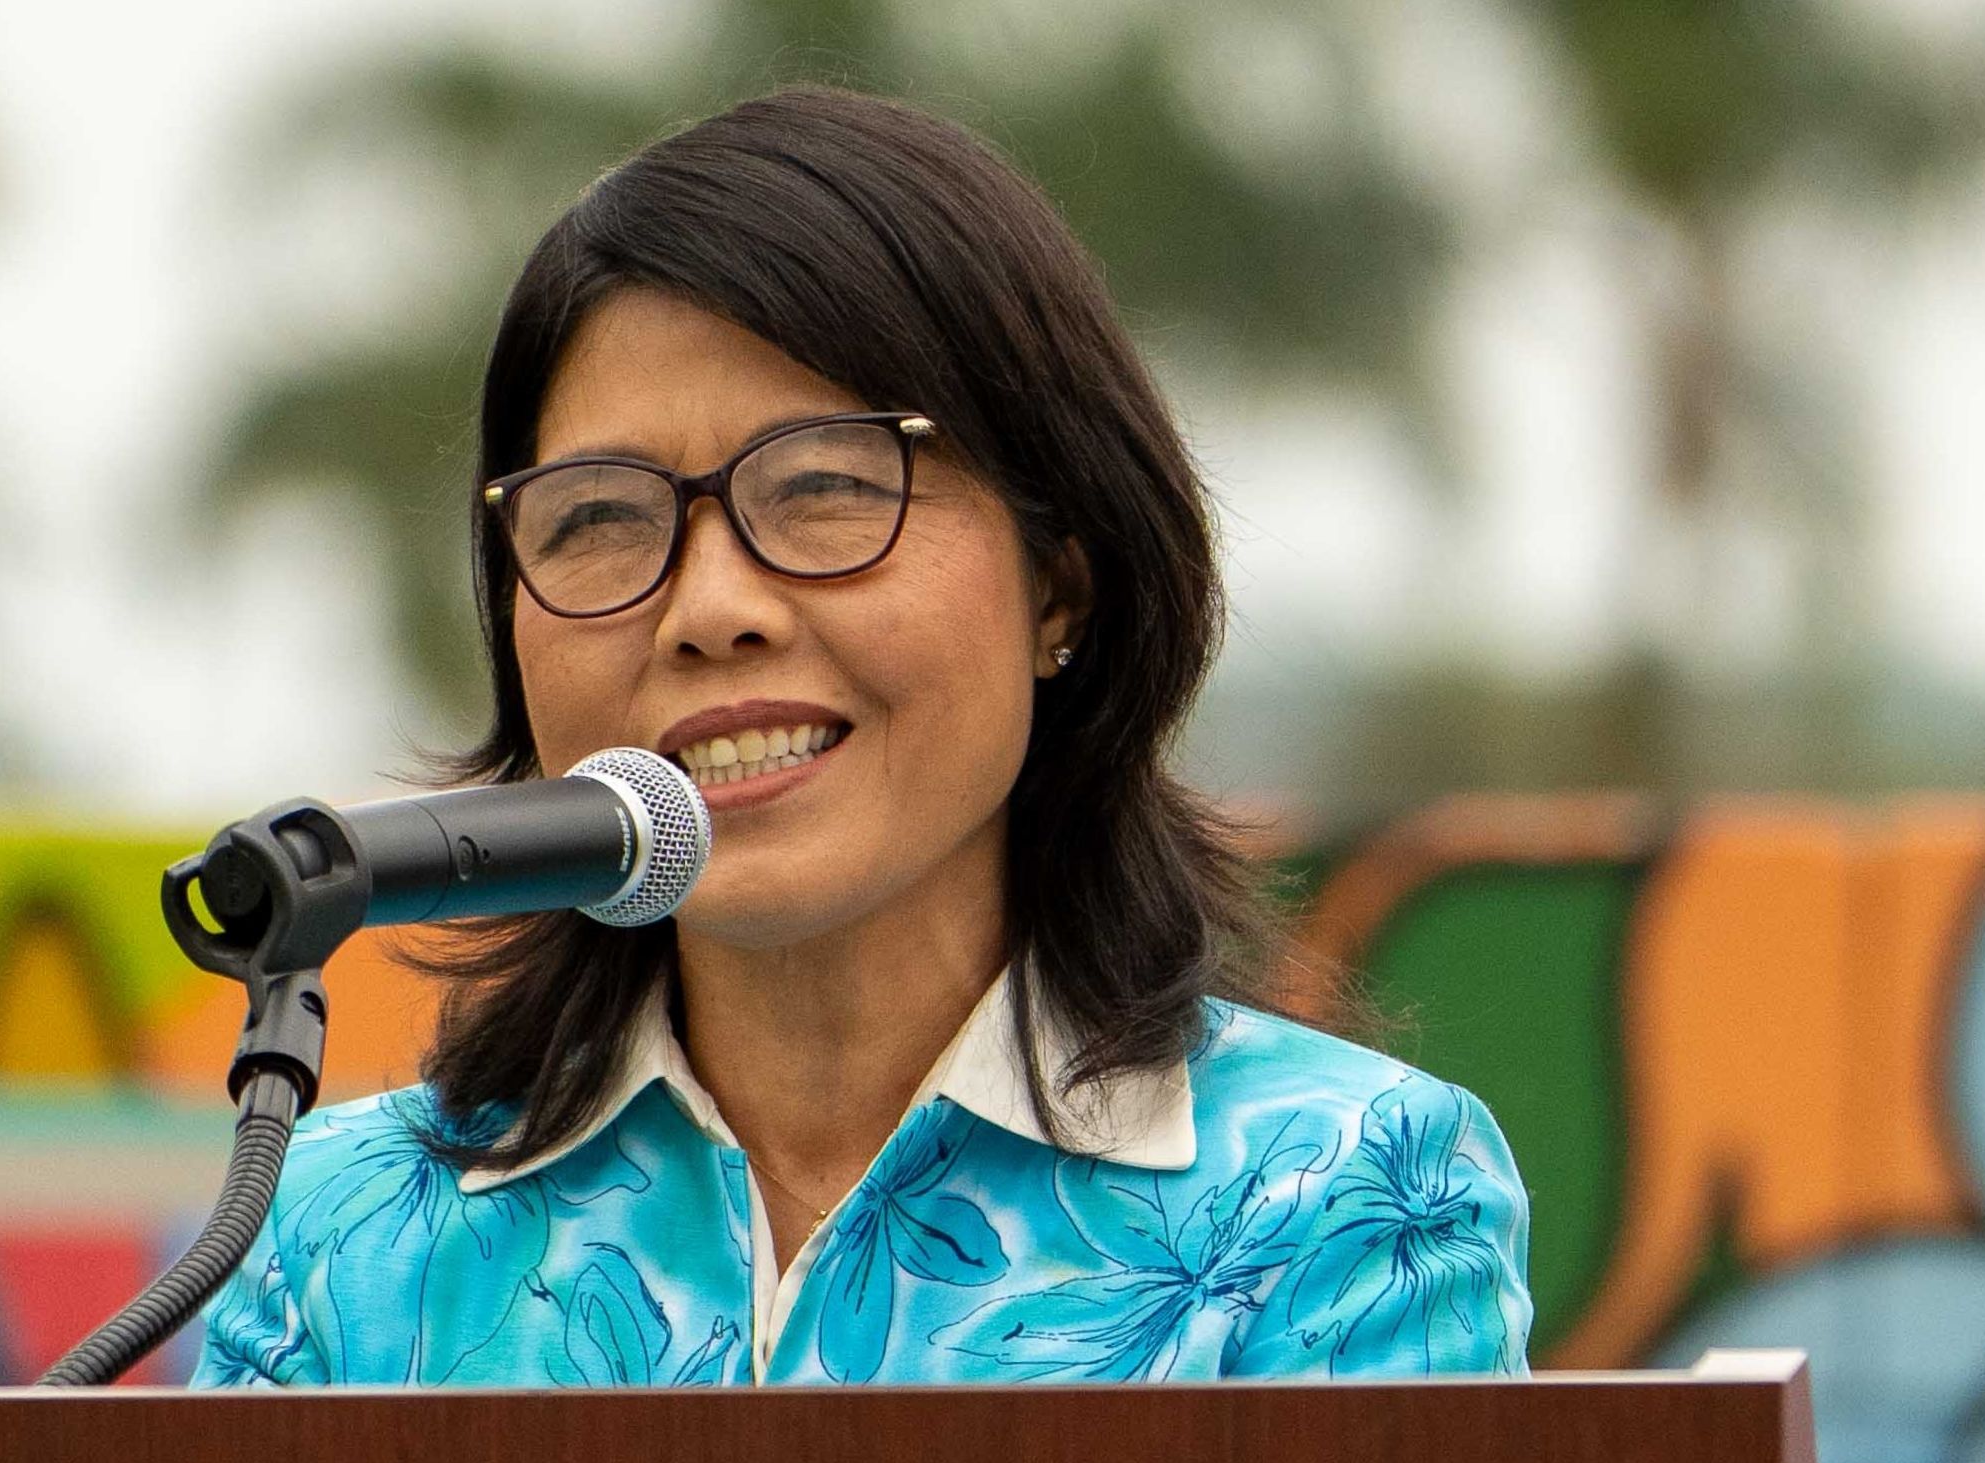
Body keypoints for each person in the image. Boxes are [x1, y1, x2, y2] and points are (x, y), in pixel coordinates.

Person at [194, 88, 1530, 1389]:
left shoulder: (1340, 1197)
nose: (709, 609)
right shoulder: (337, 1238)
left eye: (826, 486)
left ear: (1057, 586)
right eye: (598, 518)